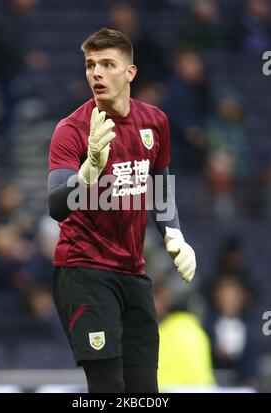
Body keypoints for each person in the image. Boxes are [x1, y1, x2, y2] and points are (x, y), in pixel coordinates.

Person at [47, 27, 196, 393]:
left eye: (107, 64)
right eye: (90, 65)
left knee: (145, 390)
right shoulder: (71, 130)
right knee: (108, 390)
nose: (96, 73)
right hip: (84, 272)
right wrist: (86, 173)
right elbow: (56, 206)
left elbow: (159, 184)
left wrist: (174, 232)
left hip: (133, 272)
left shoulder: (155, 122)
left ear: (130, 72)